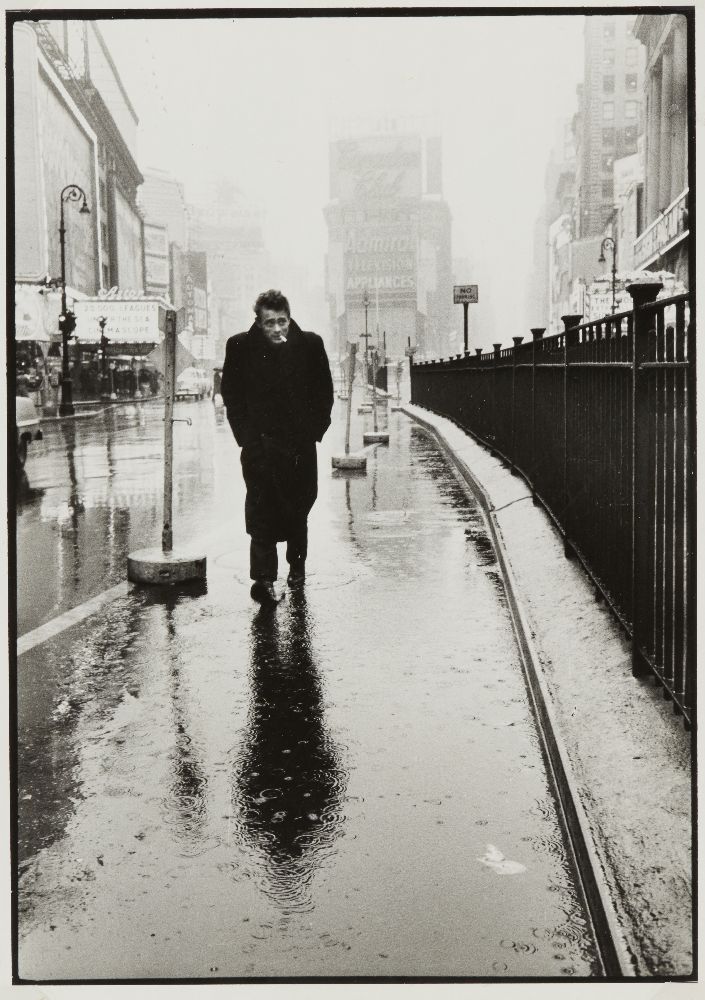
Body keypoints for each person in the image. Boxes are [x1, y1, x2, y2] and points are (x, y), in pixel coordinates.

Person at [220, 289, 334, 604]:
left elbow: (325, 390)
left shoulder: (310, 345)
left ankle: (297, 567)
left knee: (298, 510)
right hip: (261, 449)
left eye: (281, 321)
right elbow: (230, 393)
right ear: (258, 322)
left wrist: (314, 430)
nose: (277, 329)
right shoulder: (241, 347)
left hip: (299, 449)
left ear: (289, 317)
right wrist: (245, 436)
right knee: (261, 512)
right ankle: (264, 581)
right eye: (269, 323)